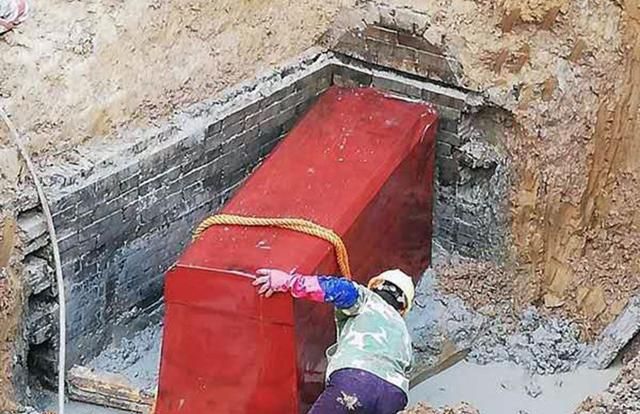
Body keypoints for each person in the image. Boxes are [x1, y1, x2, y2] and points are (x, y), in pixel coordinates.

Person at [253, 268, 415, 414]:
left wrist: (288, 282)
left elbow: (336, 289)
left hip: (356, 381)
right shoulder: (404, 334)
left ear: (375, 286)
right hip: (394, 397)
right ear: (403, 310)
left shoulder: (367, 299)